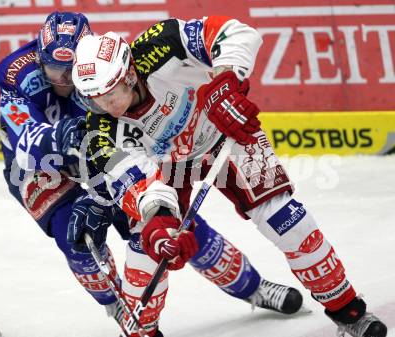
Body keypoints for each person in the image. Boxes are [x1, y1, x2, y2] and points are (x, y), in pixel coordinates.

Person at [72, 16, 388, 337]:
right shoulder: (99, 128)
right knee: (148, 251)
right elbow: (133, 177)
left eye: (109, 95)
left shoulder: (160, 43)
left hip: (225, 130)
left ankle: (348, 310)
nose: (104, 107)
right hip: (165, 167)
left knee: (290, 223)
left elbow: (235, 33)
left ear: (129, 74)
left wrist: (225, 82)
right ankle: (143, 332)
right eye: (93, 99)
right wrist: (159, 216)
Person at [0, 11, 304, 336]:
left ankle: (253, 287)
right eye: (53, 70)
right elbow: (24, 142)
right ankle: (119, 305)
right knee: (77, 240)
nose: (63, 81)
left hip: (97, 150)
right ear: (39, 57)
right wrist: (61, 137)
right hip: (38, 165)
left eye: (69, 71)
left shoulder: (100, 71)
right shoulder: (16, 73)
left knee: (166, 225)